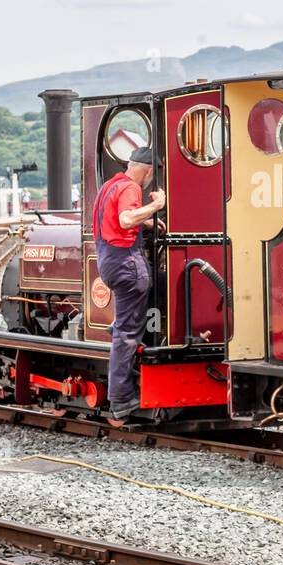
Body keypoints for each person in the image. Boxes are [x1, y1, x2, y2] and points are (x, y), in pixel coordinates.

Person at [90, 147, 165, 423]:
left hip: (108, 261)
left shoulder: (110, 185)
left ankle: (124, 329)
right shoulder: (132, 188)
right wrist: (156, 206)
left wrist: (146, 224)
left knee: (128, 321)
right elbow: (124, 219)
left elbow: (115, 221)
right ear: (146, 171)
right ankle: (121, 398)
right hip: (126, 263)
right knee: (127, 332)